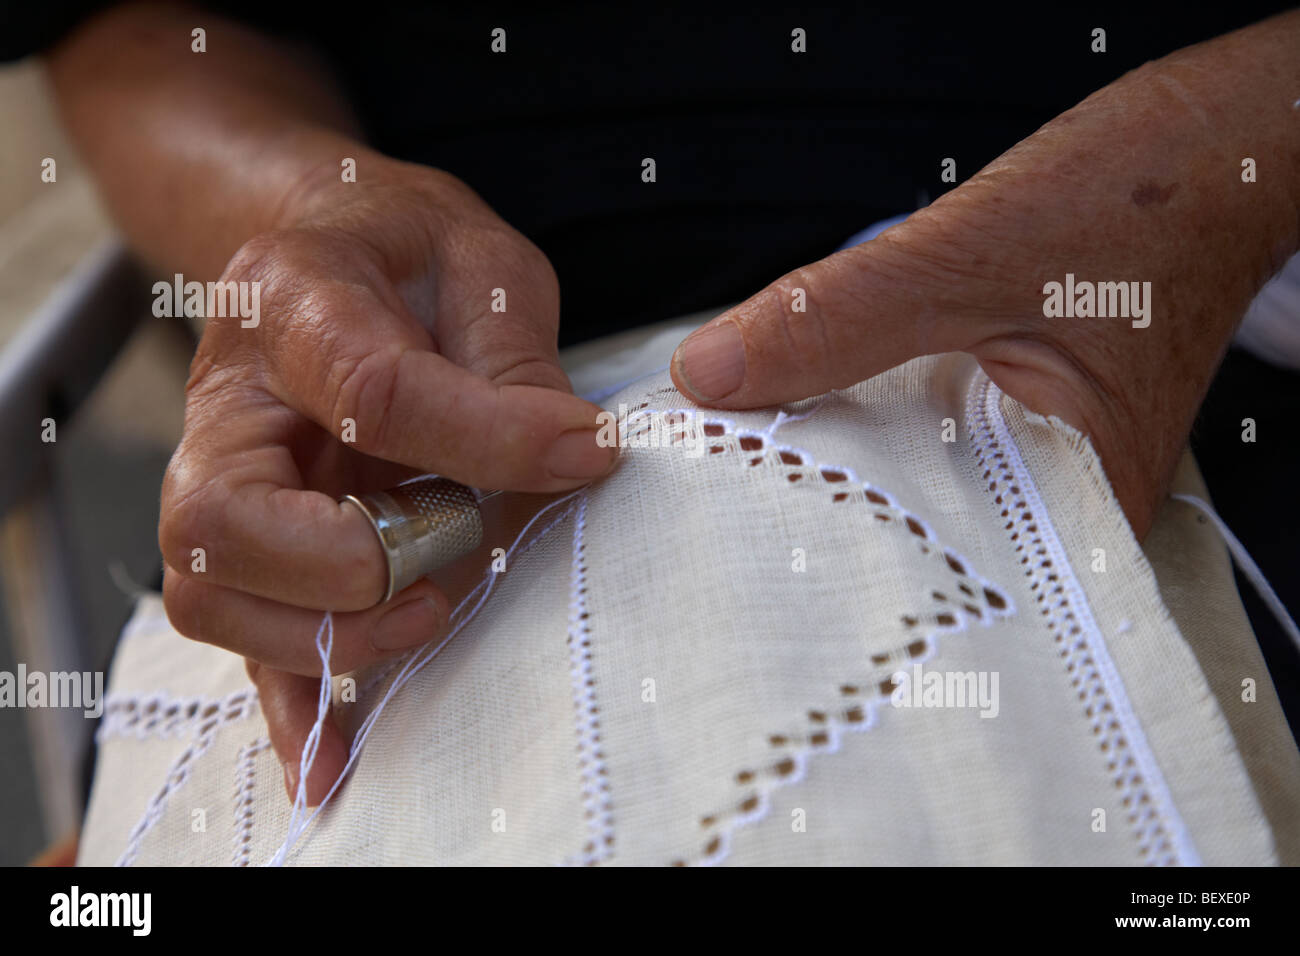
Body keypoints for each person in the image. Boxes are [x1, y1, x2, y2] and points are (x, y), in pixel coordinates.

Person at [11, 2, 1299, 807]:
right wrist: (305, 211)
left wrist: (1224, 145)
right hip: (408, 414)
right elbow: (134, 19)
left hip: (1152, 326)